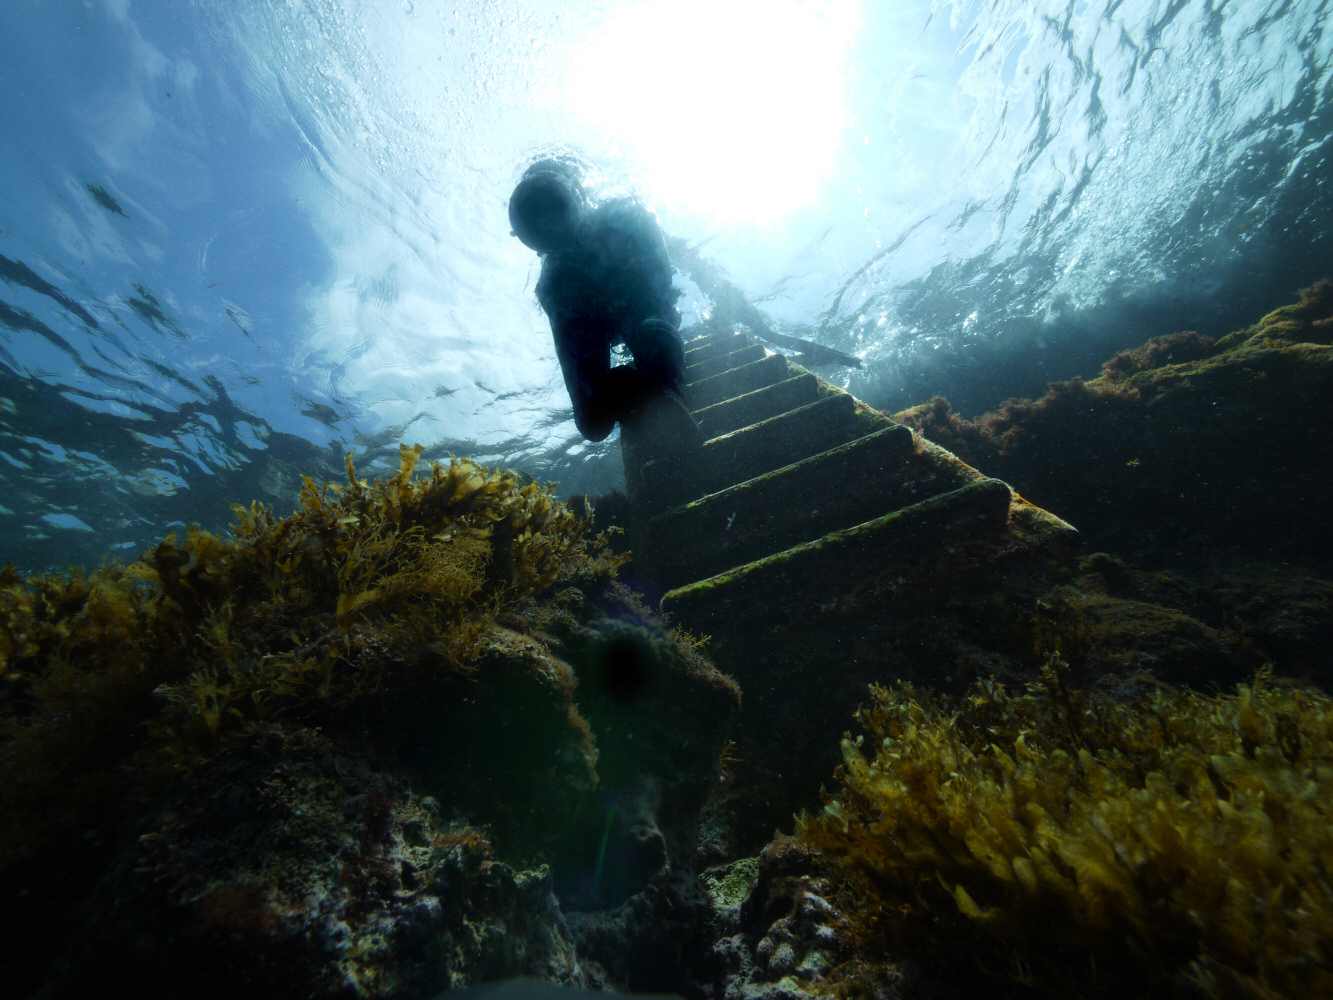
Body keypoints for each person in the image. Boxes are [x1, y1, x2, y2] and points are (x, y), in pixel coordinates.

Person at [508, 160, 702, 450]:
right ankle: (658, 393)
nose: (550, 222)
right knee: (594, 420)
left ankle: (663, 393)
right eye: (541, 218)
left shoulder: (623, 220)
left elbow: (658, 283)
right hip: (630, 315)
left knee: (649, 333)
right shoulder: (554, 284)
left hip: (638, 309)